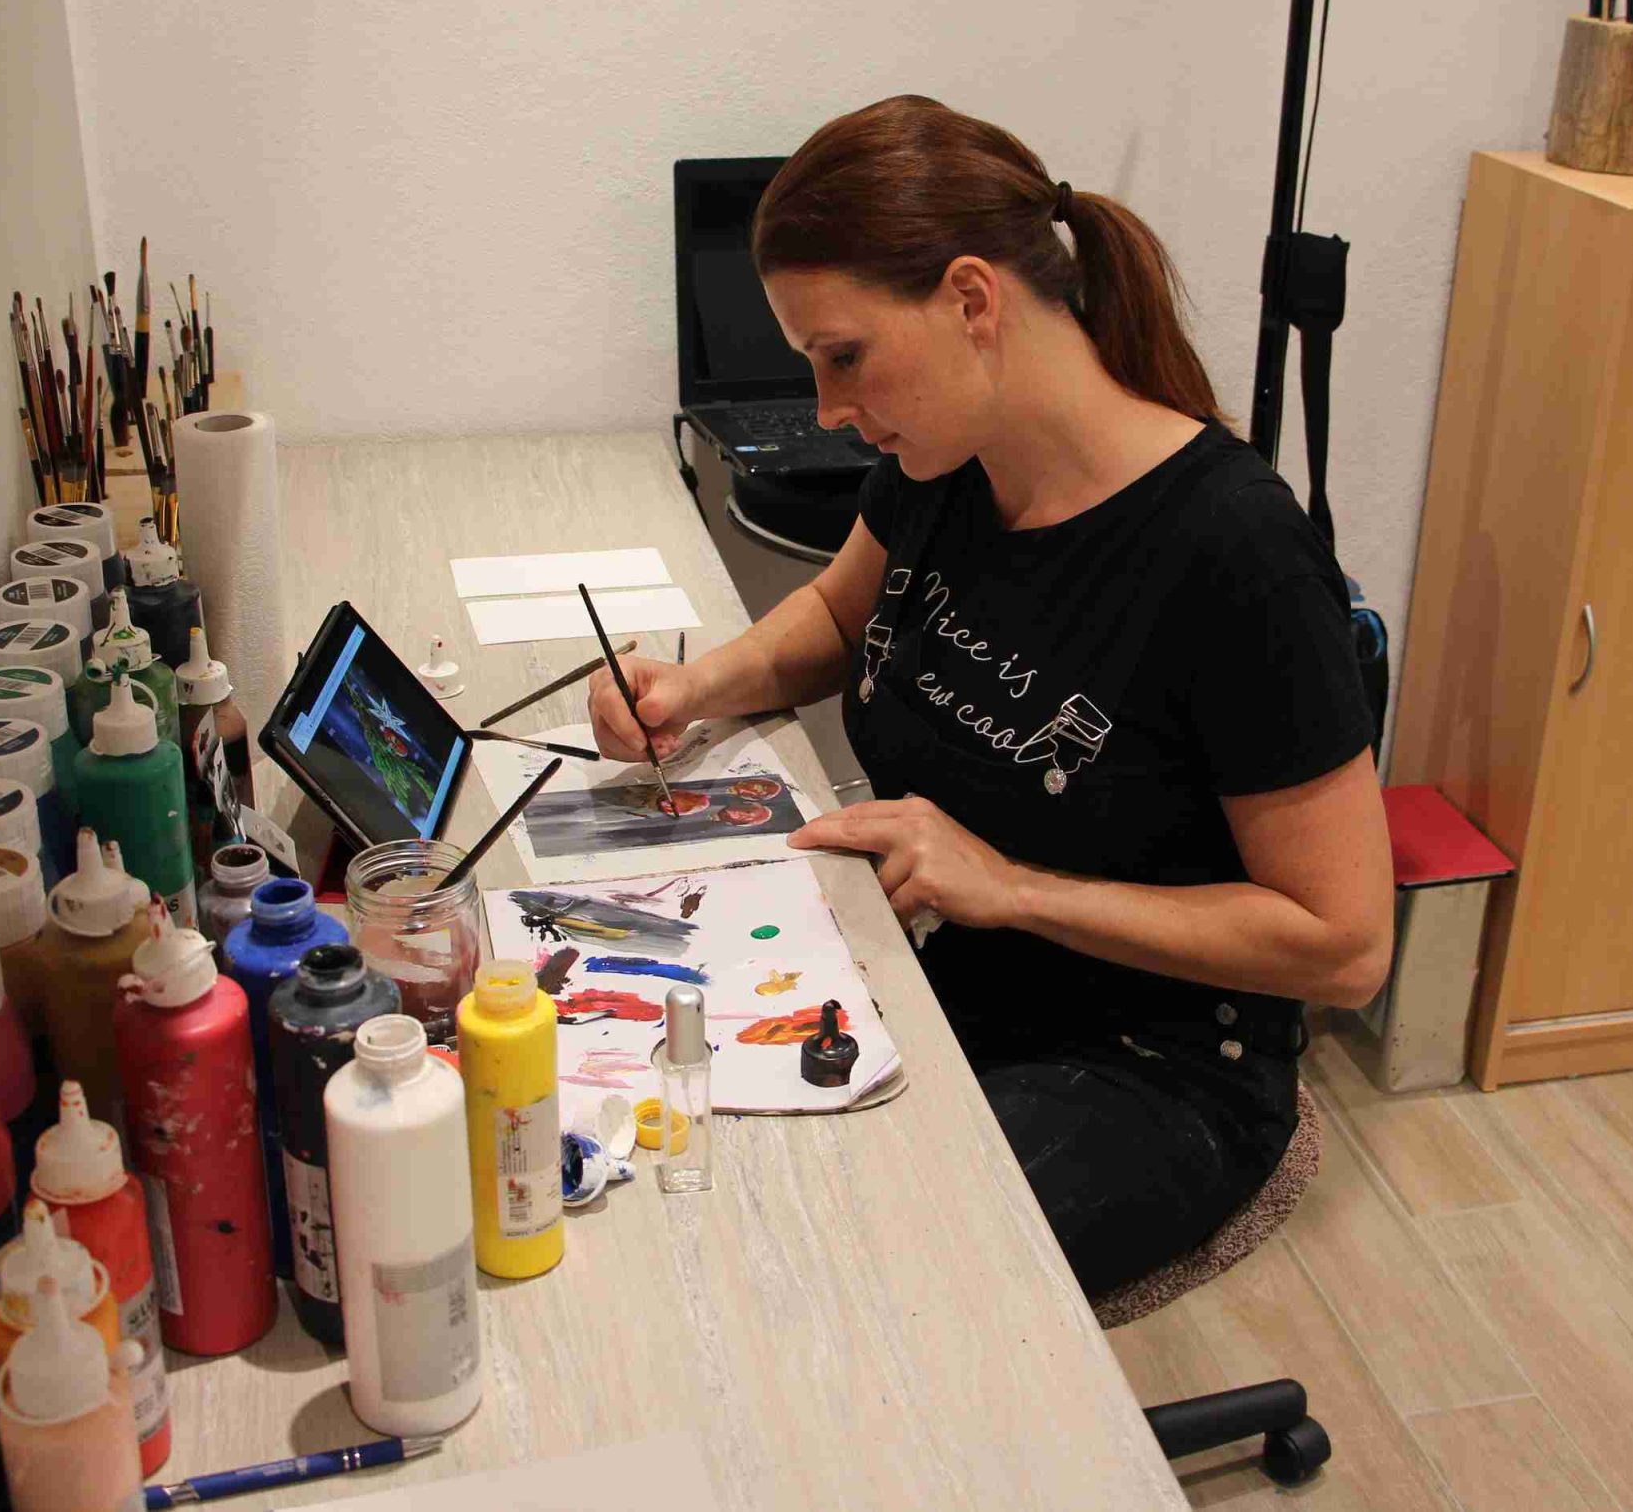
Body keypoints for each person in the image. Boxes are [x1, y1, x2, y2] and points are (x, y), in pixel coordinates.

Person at [591, 94, 1392, 1296]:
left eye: (843, 356)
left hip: (1153, 1064)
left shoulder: (1233, 552)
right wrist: (696, 684)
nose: (828, 408)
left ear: (972, 300)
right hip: (954, 976)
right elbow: (838, 616)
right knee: (668, 1131)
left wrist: (1009, 885)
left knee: (823, 1265)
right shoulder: (946, 462)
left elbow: (1345, 943)